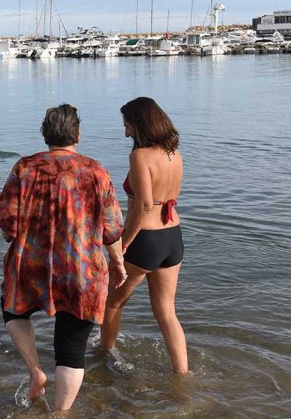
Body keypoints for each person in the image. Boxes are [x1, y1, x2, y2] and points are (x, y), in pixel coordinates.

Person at [0, 104, 125, 411]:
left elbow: (7, 221)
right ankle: (60, 413)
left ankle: (35, 371)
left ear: (45, 135)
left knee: (13, 310)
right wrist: (117, 262)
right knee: (71, 348)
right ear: (78, 134)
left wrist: (16, 235)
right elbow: (112, 228)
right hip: (82, 270)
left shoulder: (25, 168)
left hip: (32, 266)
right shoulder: (97, 171)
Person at [100, 97, 188, 374]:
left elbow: (145, 205)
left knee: (112, 304)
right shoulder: (174, 154)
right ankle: (182, 373)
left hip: (145, 239)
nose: (126, 132)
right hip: (173, 236)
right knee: (167, 313)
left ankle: (103, 355)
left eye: (127, 125)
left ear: (140, 124)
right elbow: (167, 198)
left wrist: (123, 245)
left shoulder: (139, 156)